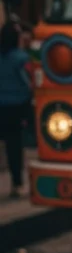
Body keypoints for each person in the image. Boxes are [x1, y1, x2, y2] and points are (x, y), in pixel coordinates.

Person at [0, 21, 32, 198]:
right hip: (16, 106)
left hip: (2, 105)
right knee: (14, 145)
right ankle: (17, 182)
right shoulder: (21, 58)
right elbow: (27, 81)